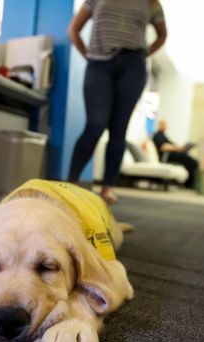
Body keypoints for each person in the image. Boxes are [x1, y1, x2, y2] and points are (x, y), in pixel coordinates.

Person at [67, 0, 167, 204]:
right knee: (95, 124)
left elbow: (162, 34)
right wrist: (89, 57)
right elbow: (74, 29)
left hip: (133, 65)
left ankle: (107, 188)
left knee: (119, 128)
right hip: (99, 65)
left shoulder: (152, 2)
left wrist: (144, 54)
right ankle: (71, 183)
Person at [151, 120, 198, 189]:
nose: (165, 126)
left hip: (172, 155)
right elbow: (163, 147)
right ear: (159, 125)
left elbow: (172, 145)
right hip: (167, 157)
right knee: (192, 162)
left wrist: (183, 148)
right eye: (163, 125)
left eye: (165, 125)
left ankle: (189, 183)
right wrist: (179, 149)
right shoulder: (157, 135)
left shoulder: (164, 136)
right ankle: (189, 184)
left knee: (191, 160)